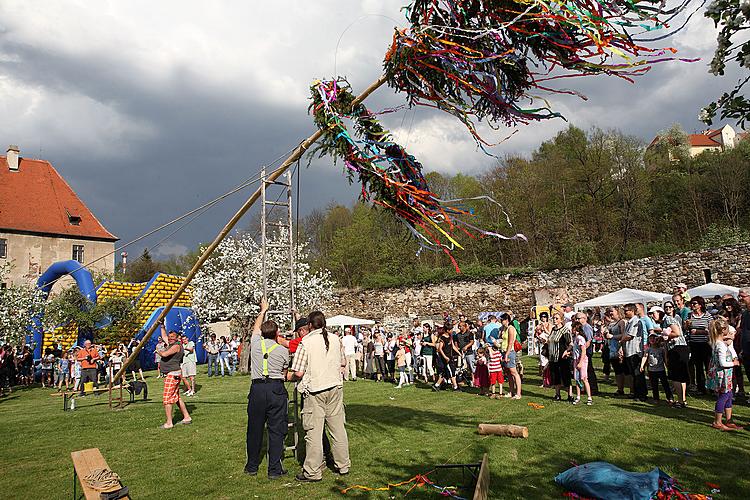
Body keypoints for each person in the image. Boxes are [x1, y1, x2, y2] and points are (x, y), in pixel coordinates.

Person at [288, 311, 350, 482]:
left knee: (313, 432)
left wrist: (286, 376)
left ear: (309, 324)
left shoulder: (306, 342)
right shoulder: (335, 339)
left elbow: (298, 372)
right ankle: (343, 465)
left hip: (315, 390)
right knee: (338, 429)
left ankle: (312, 471)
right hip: (335, 387)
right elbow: (343, 362)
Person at [244, 298, 290, 478]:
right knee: (276, 429)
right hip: (275, 389)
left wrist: (263, 310)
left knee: (254, 429)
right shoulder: (282, 351)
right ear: (277, 333)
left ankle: (252, 466)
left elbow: (255, 329)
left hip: (257, 390)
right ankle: (274, 469)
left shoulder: (255, 345)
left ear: (262, 333)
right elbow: (284, 372)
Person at [707, 318, 742, 431]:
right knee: (724, 396)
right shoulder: (720, 345)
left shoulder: (717, 342)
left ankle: (728, 420)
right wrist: (734, 363)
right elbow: (722, 363)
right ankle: (717, 421)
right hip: (723, 375)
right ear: (723, 330)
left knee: (729, 396)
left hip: (726, 375)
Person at [156, 323, 192, 429]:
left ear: (177, 338)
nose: (170, 338)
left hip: (173, 374)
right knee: (176, 398)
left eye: (172, 337)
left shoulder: (176, 346)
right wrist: (162, 327)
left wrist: (158, 351)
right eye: (170, 337)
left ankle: (169, 423)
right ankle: (187, 417)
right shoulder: (172, 343)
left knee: (167, 399)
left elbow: (164, 354)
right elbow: (164, 337)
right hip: (173, 374)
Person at [620, 304, 647, 402]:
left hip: (635, 351)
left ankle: (641, 394)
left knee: (638, 374)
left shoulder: (636, 321)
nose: (625, 312)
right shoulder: (630, 322)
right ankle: (636, 393)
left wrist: (621, 340)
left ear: (632, 311)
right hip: (629, 351)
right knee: (633, 374)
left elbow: (630, 335)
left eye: (626, 310)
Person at [687, 296, 712, 394]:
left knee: (708, 366)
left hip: (705, 344)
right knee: (698, 367)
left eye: (694, 303)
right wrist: (687, 326)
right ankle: (701, 388)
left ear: (700, 305)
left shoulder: (707, 316)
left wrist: (698, 331)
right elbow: (685, 329)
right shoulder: (690, 315)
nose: (692, 305)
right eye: (691, 303)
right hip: (694, 344)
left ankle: (712, 387)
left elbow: (711, 330)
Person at [548, 312, 573, 402]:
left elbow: (570, 343)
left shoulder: (565, 330)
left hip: (562, 357)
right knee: (555, 376)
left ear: (561, 320)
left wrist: (567, 351)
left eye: (557, 318)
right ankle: (557, 394)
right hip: (552, 357)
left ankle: (570, 395)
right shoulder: (553, 330)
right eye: (554, 318)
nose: (554, 320)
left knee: (565, 375)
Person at [641, 333, 673, 404]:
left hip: (661, 370)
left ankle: (670, 397)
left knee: (665, 384)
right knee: (654, 385)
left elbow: (665, 358)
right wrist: (642, 365)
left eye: (654, 338)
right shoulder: (648, 349)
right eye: (650, 338)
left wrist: (667, 366)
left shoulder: (661, 349)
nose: (652, 340)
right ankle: (656, 398)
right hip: (651, 370)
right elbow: (645, 357)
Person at [575, 312, 598, 395]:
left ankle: (593, 388)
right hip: (583, 351)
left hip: (586, 352)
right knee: (585, 371)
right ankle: (586, 388)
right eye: (576, 319)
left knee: (589, 370)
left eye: (579, 318)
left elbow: (588, 341)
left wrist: (583, 351)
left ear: (584, 318)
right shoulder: (582, 327)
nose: (577, 320)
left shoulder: (587, 327)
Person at [500, 314, 522, 399]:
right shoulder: (504, 329)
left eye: (502, 320)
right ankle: (511, 391)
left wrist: (507, 354)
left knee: (514, 372)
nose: (501, 321)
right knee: (508, 373)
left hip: (510, 352)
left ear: (507, 320)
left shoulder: (511, 328)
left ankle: (518, 393)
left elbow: (510, 342)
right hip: (504, 351)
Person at [433, 326, 459, 391]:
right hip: (445, 358)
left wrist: (459, 353)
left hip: (450, 357)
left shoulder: (450, 337)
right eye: (451, 329)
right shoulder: (442, 338)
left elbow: (453, 346)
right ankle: (455, 387)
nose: (452, 330)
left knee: (444, 373)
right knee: (451, 372)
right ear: (447, 330)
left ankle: (436, 385)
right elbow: (440, 349)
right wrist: (445, 357)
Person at [571, 323, 592, 405]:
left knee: (584, 378)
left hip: (581, 360)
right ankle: (578, 396)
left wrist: (580, 362)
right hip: (576, 359)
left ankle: (589, 397)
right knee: (577, 379)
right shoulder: (576, 338)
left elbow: (583, 351)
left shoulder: (580, 338)